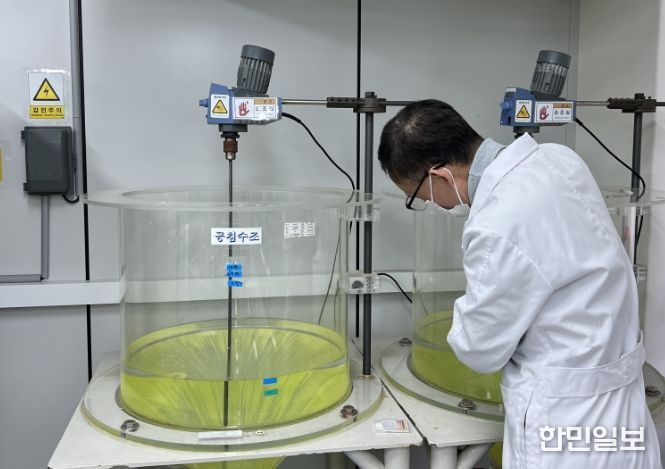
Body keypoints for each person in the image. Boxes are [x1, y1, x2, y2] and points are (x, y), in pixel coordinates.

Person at [378, 99, 662, 468]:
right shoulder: (559, 159)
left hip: (567, 426)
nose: (435, 206)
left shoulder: (496, 224)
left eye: (421, 197)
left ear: (441, 176)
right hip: (623, 406)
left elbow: (479, 349)